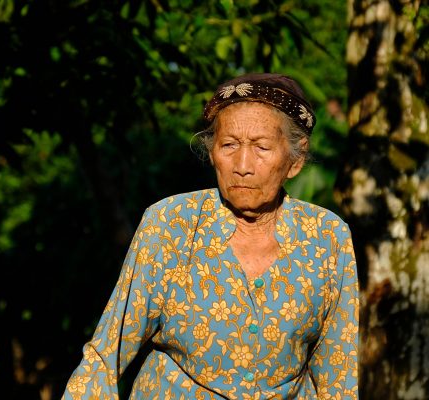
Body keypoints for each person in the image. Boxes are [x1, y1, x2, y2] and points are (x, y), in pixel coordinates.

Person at [62, 73, 359, 399]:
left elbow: (338, 374)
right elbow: (106, 354)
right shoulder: (171, 224)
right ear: (212, 152)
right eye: (229, 145)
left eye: (261, 147)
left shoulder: (326, 236)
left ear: (296, 159)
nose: (242, 165)